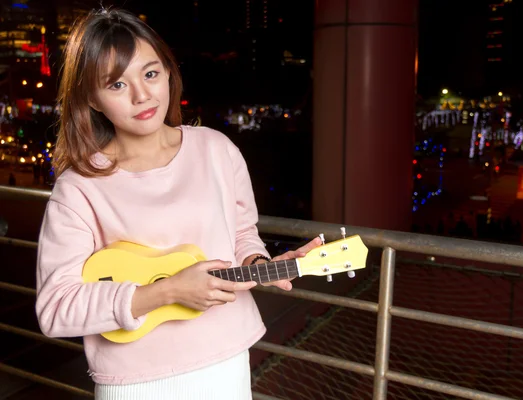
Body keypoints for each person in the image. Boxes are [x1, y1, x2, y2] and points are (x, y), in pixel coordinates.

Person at [35, 8, 321, 399]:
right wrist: (167, 292)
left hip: (225, 360)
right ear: (93, 100)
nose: (142, 95)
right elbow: (55, 308)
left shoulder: (217, 150)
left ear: (168, 72)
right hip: (133, 382)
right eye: (116, 85)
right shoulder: (79, 187)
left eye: (150, 74)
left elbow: (241, 234)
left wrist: (261, 265)